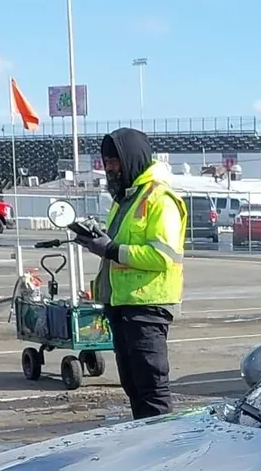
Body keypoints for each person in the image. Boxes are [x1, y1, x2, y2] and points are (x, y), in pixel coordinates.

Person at [78, 128, 186, 419]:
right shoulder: (125, 199)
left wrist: (111, 249)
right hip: (122, 306)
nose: (109, 168)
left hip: (147, 308)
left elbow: (162, 256)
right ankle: (145, 439)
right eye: (106, 162)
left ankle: (162, 442)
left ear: (132, 159)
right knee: (133, 386)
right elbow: (118, 244)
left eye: (114, 161)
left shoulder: (159, 199)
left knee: (152, 389)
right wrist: (97, 239)